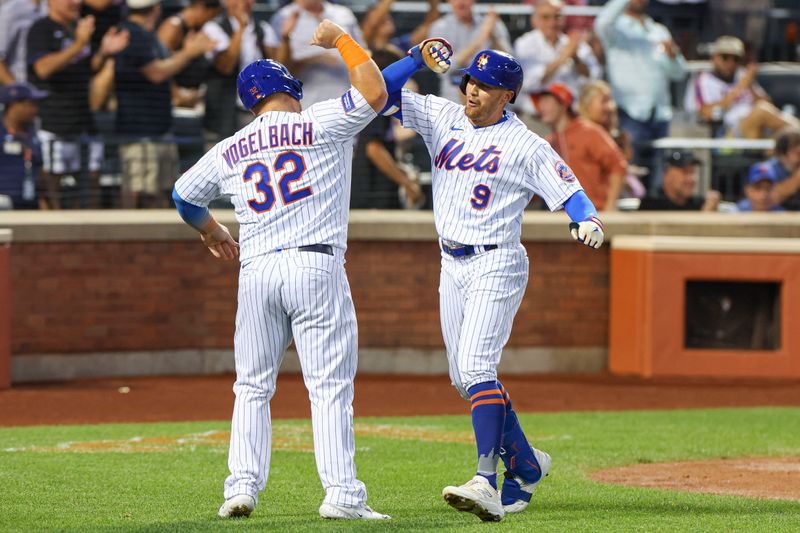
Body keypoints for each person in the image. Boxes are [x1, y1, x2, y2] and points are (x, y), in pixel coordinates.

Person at [172, 20, 390, 521]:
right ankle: (341, 496)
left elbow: (183, 195)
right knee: (329, 386)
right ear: (292, 90)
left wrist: (211, 231)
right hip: (315, 264)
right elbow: (375, 89)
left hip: (258, 270)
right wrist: (341, 40)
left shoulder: (230, 148)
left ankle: (241, 488)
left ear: (251, 102)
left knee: (251, 385)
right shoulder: (317, 122)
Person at [378, 46, 605, 521]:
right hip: (451, 262)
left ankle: (486, 479)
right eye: (469, 81)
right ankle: (525, 462)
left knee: (478, 367)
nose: (471, 90)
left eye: (482, 85)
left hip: (496, 262)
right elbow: (378, 90)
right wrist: (415, 59)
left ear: (508, 95)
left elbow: (571, 191)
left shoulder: (526, 144)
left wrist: (586, 221)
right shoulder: (445, 116)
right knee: (463, 379)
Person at [26, 0, 129, 208]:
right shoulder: (41, 28)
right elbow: (42, 68)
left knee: (91, 181)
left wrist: (103, 52)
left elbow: (87, 67)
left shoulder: (77, 28)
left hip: (83, 119)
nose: (75, 3)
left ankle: (91, 232)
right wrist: (79, 44)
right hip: (52, 121)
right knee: (50, 185)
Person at [115, 0, 215, 208]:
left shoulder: (147, 35)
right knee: (137, 191)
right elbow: (156, 73)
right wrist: (189, 52)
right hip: (140, 131)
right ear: (156, 9)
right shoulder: (132, 34)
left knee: (160, 192)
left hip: (158, 128)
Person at [594, 0, 686, 172]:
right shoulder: (616, 28)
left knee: (660, 177)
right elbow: (602, 23)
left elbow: (678, 72)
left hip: (660, 116)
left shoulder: (658, 30)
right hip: (630, 114)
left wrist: (673, 57)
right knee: (630, 174)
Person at [684, 36, 800, 139]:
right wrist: (740, 87)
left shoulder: (742, 75)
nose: (730, 63)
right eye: (725, 57)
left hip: (758, 129)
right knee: (761, 112)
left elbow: (769, 106)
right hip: (727, 133)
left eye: (735, 59)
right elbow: (707, 113)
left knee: (784, 138)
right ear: (713, 58)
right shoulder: (703, 80)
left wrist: (749, 86)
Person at [202, 0, 287, 141]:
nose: (243, 2)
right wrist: (241, 28)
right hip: (223, 111)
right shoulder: (213, 27)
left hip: (257, 110)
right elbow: (226, 66)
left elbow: (279, 67)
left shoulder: (263, 29)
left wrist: (285, 38)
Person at [534, 82, 626, 210]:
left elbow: (618, 165)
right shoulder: (549, 142)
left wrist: (610, 206)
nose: (541, 107)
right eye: (540, 102)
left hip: (595, 215)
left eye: (547, 101)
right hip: (563, 219)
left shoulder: (588, 131)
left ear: (563, 103)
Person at [351, 48, 422, 209]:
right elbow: (373, 149)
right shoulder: (375, 103)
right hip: (370, 197)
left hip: (372, 195)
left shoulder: (368, 100)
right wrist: (406, 183)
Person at [513, 0, 601, 116]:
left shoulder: (574, 44)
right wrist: (562, 58)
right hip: (536, 115)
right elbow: (529, 82)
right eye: (546, 17)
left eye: (557, 17)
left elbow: (594, 78)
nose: (552, 22)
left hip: (571, 113)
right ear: (534, 20)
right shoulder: (524, 44)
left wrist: (576, 58)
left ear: (564, 19)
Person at [270, 0, 364, 107]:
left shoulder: (343, 14)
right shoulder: (283, 16)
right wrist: (315, 59)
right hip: (307, 102)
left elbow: (362, 51)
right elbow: (279, 71)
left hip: (345, 98)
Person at [427, 0, 511, 103]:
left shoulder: (492, 23)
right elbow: (444, 67)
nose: (461, 2)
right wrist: (481, 39)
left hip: (489, 96)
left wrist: (492, 35)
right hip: (453, 100)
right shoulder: (439, 27)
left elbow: (508, 63)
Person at [577, 80, 645, 199]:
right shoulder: (582, 133)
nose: (610, 107)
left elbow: (635, 189)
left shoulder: (617, 136)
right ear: (586, 105)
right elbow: (618, 168)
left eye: (610, 100)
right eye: (604, 101)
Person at [156, 0, 221, 107]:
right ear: (200, 7)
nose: (210, 20)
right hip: (171, 101)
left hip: (191, 99)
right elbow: (160, 67)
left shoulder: (198, 30)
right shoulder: (172, 27)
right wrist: (177, 95)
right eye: (211, 15)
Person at [0, 82, 46, 209]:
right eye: (30, 104)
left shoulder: (34, 136)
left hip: (29, 204)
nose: (35, 110)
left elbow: (41, 174)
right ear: (15, 105)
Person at [638, 150, 720, 210]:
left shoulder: (699, 205)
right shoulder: (651, 205)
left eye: (693, 172)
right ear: (667, 176)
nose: (692, 179)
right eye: (685, 173)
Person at [360, 0, 441, 54]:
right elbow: (373, 23)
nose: (387, 18)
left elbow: (430, 26)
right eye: (382, 19)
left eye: (388, 16)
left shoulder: (399, 45)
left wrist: (433, 3)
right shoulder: (363, 45)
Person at [0, 0, 47, 84]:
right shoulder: (11, 10)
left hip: (48, 88)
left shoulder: (48, 8)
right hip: (22, 85)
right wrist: (19, 91)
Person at [762, 127, 800, 209]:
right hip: (773, 217)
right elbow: (768, 200)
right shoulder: (766, 169)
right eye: (796, 151)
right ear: (782, 154)